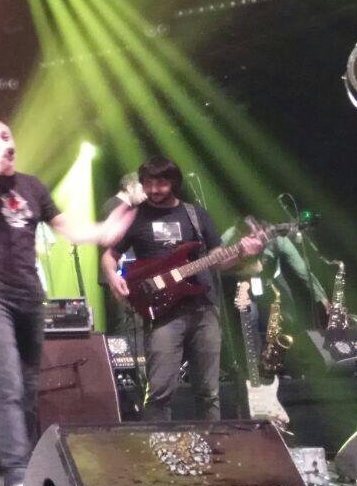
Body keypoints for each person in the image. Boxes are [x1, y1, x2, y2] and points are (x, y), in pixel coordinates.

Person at [0, 119, 135, 486]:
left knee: (31, 386)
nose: (4, 143)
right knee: (7, 381)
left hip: (29, 296)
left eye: (7, 136)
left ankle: (33, 470)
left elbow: (69, 230)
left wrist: (103, 231)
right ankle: (15, 476)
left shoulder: (32, 186)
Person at [100, 156, 258, 422]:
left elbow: (218, 260)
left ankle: (211, 445)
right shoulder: (134, 217)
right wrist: (113, 277)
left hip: (203, 308)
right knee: (159, 392)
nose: (153, 190)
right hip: (162, 312)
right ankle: (158, 445)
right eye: (147, 184)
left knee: (209, 392)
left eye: (160, 184)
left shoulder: (196, 215)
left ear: (173, 182)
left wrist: (242, 252)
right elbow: (109, 255)